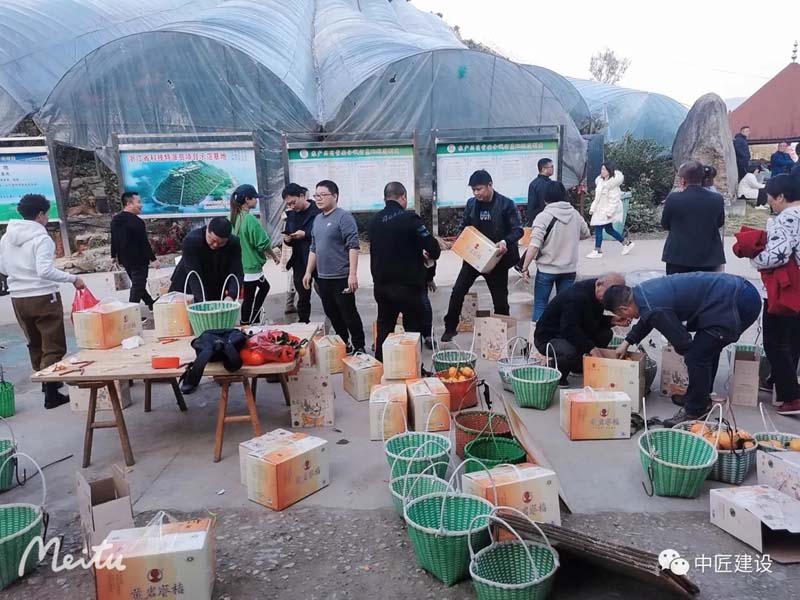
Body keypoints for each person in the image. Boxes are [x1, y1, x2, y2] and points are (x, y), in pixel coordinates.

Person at [604, 273, 762, 426]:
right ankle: (699, 396)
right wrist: (627, 342)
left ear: (624, 309)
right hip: (733, 291)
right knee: (706, 347)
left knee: (697, 356)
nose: (628, 318)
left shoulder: (653, 308)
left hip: (738, 302)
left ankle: (696, 409)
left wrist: (679, 344)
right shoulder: (642, 293)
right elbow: (649, 317)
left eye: (622, 314)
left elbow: (683, 342)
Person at [0, 194, 85, 409]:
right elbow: (45, 271)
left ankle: (46, 383)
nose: (47, 218)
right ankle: (51, 393)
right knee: (53, 344)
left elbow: (3, 268)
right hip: (43, 296)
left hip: (18, 297)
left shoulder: (7, 237)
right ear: (40, 215)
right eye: (46, 214)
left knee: (34, 342)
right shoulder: (42, 238)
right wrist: (73, 278)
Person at [441, 170, 523, 342]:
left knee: (500, 300)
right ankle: (450, 328)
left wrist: (505, 242)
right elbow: (465, 226)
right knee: (458, 291)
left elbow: (518, 230)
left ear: (490, 185)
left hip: (496, 261)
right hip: (474, 258)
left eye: (479, 189)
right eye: (473, 190)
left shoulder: (506, 204)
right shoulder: (471, 204)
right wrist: (459, 239)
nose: (476, 193)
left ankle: (503, 336)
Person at [367, 182, 441, 361]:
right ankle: (415, 370)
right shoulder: (410, 219)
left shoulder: (374, 221)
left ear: (385, 198)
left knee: (384, 329)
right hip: (408, 287)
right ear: (403, 197)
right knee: (412, 331)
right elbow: (433, 249)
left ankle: (381, 367)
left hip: (381, 286)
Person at [749, 175, 800, 415]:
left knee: (775, 342)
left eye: (769, 197)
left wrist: (753, 257)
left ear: (780, 197)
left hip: (786, 289)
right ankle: (778, 382)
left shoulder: (787, 218)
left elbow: (776, 256)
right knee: (793, 339)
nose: (769, 201)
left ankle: (791, 396)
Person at [303, 180, 366, 354]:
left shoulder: (343, 217)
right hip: (323, 277)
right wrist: (308, 272)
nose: (318, 198)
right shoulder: (317, 219)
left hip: (341, 276)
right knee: (331, 312)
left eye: (323, 195)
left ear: (335, 196)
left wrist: (352, 274)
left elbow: (353, 246)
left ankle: (359, 345)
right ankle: (343, 342)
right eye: (316, 195)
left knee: (348, 312)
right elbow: (313, 248)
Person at [533, 273, 627, 386]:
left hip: (570, 330)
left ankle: (577, 366)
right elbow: (569, 329)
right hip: (549, 337)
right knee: (569, 350)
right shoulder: (576, 297)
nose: (609, 301)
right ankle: (555, 372)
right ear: (599, 284)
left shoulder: (598, 294)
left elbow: (591, 321)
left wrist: (612, 320)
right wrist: (592, 349)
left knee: (605, 334)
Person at [522, 180, 590, 321]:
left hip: (547, 270)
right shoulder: (575, 214)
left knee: (541, 306)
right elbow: (586, 233)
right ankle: (562, 334)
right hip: (569, 270)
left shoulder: (543, 217)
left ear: (546, 198)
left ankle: (537, 334)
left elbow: (533, 246)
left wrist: (524, 267)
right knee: (565, 308)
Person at [661, 160, 725, 275]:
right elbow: (720, 223)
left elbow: (665, 224)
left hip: (678, 257)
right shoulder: (717, 199)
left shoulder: (673, 198)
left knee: (677, 286)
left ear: (683, 180)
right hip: (709, 257)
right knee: (706, 286)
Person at [228, 184, 278, 326]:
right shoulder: (249, 219)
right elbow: (262, 243)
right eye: (255, 198)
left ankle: (252, 318)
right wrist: (274, 256)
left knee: (258, 290)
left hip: (238, 266)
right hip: (251, 266)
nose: (256, 200)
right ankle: (247, 322)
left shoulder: (231, 217)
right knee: (250, 297)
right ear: (247, 199)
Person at [169, 217, 243, 303]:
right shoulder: (192, 241)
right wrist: (202, 301)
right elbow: (194, 275)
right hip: (188, 283)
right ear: (207, 230)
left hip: (216, 281)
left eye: (221, 243)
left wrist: (231, 295)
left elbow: (236, 271)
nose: (215, 245)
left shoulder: (234, 243)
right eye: (212, 240)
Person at [110, 192, 160, 311]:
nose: (141, 205)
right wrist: (153, 259)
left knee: (138, 284)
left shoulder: (116, 220)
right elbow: (144, 242)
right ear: (129, 203)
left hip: (125, 259)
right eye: (138, 202)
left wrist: (113, 255)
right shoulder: (137, 222)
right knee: (138, 285)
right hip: (139, 259)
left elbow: (114, 239)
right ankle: (131, 312)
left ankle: (150, 303)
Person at [282, 183, 320, 324]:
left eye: (293, 202)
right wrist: (287, 239)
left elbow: (323, 234)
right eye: (288, 204)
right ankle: (303, 322)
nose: (292, 206)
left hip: (318, 258)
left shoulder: (318, 211)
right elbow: (289, 235)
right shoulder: (291, 215)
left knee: (326, 292)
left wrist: (306, 234)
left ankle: (335, 318)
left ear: (302, 196)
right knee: (302, 295)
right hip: (299, 260)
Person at [587, 162, 633, 259]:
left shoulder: (613, 185)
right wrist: (593, 208)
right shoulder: (600, 182)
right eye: (601, 169)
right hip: (600, 210)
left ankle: (597, 250)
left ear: (609, 171)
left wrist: (610, 212)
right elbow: (597, 198)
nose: (602, 171)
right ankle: (626, 243)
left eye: (604, 169)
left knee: (598, 228)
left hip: (606, 211)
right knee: (609, 230)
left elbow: (614, 200)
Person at [517, 158, 555, 273]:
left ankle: (521, 265)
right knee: (537, 244)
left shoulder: (542, 183)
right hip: (544, 219)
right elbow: (533, 204)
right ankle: (522, 265)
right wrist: (533, 220)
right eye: (551, 167)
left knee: (538, 243)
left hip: (542, 218)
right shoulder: (540, 184)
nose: (553, 169)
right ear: (543, 169)